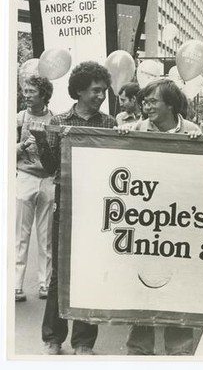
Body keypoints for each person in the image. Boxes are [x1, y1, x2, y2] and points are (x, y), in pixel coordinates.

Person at [28, 61, 116, 355]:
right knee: (60, 273)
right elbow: (52, 167)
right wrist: (42, 142)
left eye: (104, 91)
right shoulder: (60, 120)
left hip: (97, 207)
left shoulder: (109, 124)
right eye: (95, 91)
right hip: (65, 203)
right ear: (79, 90)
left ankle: (84, 342)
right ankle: (53, 337)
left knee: (89, 271)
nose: (101, 96)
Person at [117, 78, 201, 355]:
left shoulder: (193, 131)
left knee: (178, 291)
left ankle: (181, 352)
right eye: (145, 101)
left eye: (153, 101)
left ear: (170, 104)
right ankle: (138, 351)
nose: (146, 106)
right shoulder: (136, 129)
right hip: (145, 227)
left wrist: (200, 148)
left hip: (179, 227)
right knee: (141, 287)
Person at [16, 76, 55, 302]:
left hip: (47, 178)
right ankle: (16, 285)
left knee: (46, 235)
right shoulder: (20, 117)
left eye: (32, 92)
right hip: (25, 176)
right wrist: (22, 146)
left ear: (44, 95)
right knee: (20, 234)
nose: (27, 96)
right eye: (26, 91)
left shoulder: (54, 119)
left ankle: (45, 284)